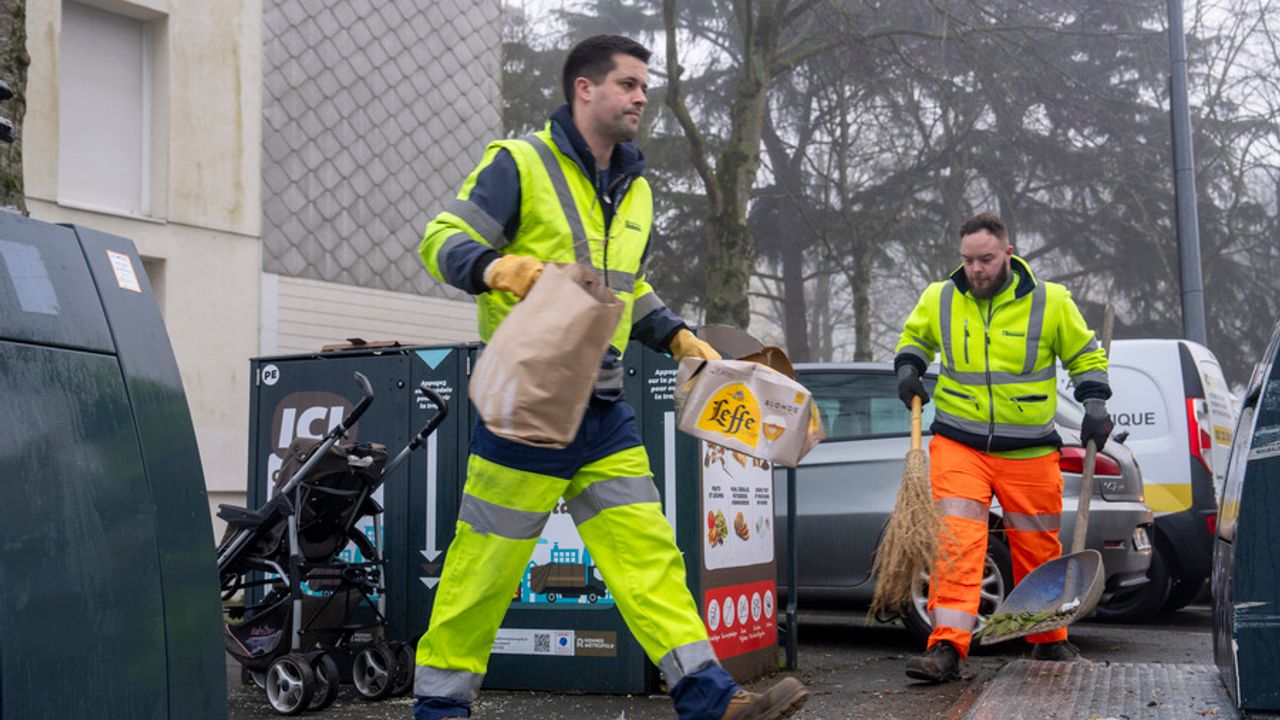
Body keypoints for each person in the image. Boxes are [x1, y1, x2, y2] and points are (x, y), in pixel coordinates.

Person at [411, 34, 810, 720]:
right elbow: (440, 237)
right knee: (484, 572)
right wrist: (494, 267)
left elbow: (629, 287)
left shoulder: (637, 189)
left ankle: (709, 700)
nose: (640, 98)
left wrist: (678, 333)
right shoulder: (520, 163)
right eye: (628, 84)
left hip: (603, 408)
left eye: (644, 88)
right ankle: (440, 710)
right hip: (531, 407)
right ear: (584, 89)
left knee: (649, 557)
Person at [893, 212, 1114, 683]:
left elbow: (1084, 355)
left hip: (1030, 450)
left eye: (986, 259)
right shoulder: (941, 297)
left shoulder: (1050, 302)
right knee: (956, 545)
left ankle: (1048, 641)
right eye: (968, 260)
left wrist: (1094, 403)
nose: (976, 269)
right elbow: (915, 338)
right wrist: (908, 368)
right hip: (959, 444)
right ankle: (947, 647)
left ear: (1008, 254)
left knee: (1038, 548)